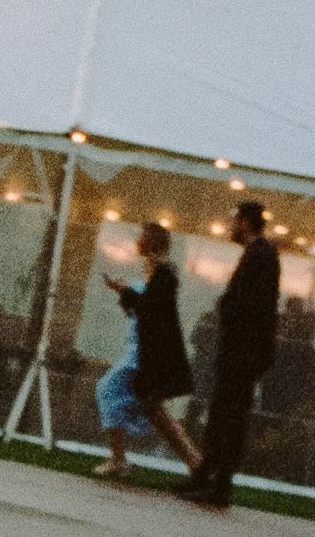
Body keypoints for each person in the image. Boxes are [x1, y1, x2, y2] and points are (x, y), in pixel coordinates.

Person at [177, 199, 280, 511]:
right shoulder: (261, 254)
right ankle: (207, 475)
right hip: (242, 352)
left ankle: (217, 484)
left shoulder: (260, 255)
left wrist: (228, 310)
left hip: (242, 353)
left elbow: (251, 305)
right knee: (224, 414)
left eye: (235, 221)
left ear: (246, 222)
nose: (231, 227)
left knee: (229, 416)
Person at [93, 220, 200, 482]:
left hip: (146, 353)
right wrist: (125, 293)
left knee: (109, 389)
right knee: (155, 410)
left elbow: (150, 310)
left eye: (141, 237)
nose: (137, 241)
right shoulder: (157, 271)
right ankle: (197, 464)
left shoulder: (164, 272)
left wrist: (125, 291)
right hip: (144, 350)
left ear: (150, 241)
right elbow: (143, 311)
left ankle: (118, 459)